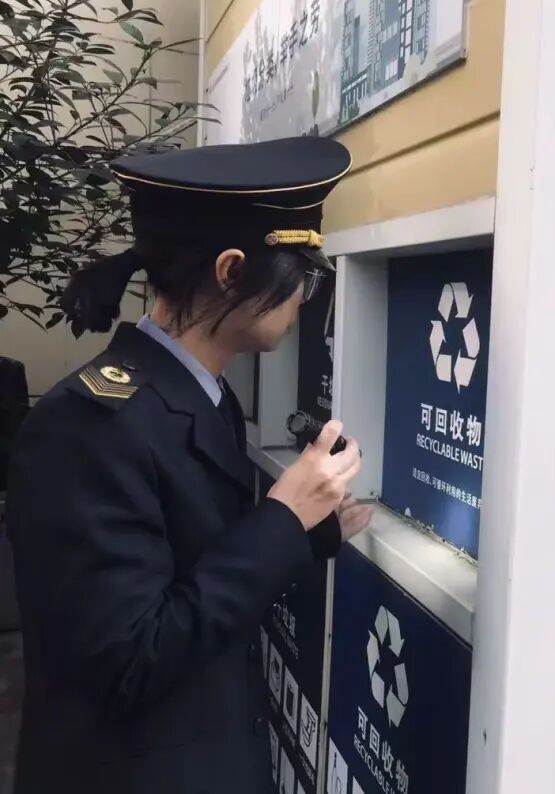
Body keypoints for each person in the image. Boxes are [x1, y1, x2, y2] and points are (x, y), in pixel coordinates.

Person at [5, 136, 373, 794]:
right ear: (231, 271)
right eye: (302, 275)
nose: (304, 297)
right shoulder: (85, 426)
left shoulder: (200, 395)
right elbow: (129, 659)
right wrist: (283, 519)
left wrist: (307, 529)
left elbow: (192, 559)